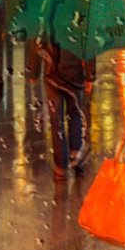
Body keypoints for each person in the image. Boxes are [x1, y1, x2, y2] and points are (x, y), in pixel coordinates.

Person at [40, 37, 91, 180]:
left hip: (52, 74)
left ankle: (61, 167)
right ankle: (77, 155)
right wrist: (90, 74)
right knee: (75, 114)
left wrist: (34, 69)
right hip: (74, 73)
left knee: (57, 121)